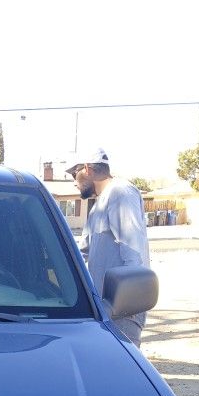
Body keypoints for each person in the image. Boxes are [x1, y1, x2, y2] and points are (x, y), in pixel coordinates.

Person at [66, 148, 150, 346]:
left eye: (73, 174)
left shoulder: (120, 193)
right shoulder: (97, 207)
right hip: (102, 309)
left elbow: (133, 251)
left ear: (87, 169)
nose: (73, 181)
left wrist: (129, 300)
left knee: (122, 372)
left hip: (123, 309)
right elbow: (80, 255)